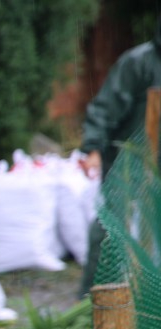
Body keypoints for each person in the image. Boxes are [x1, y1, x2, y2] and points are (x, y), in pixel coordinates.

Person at [78, 17, 161, 296]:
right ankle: (92, 301)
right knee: (110, 234)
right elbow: (105, 108)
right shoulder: (139, 62)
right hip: (127, 167)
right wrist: (92, 148)